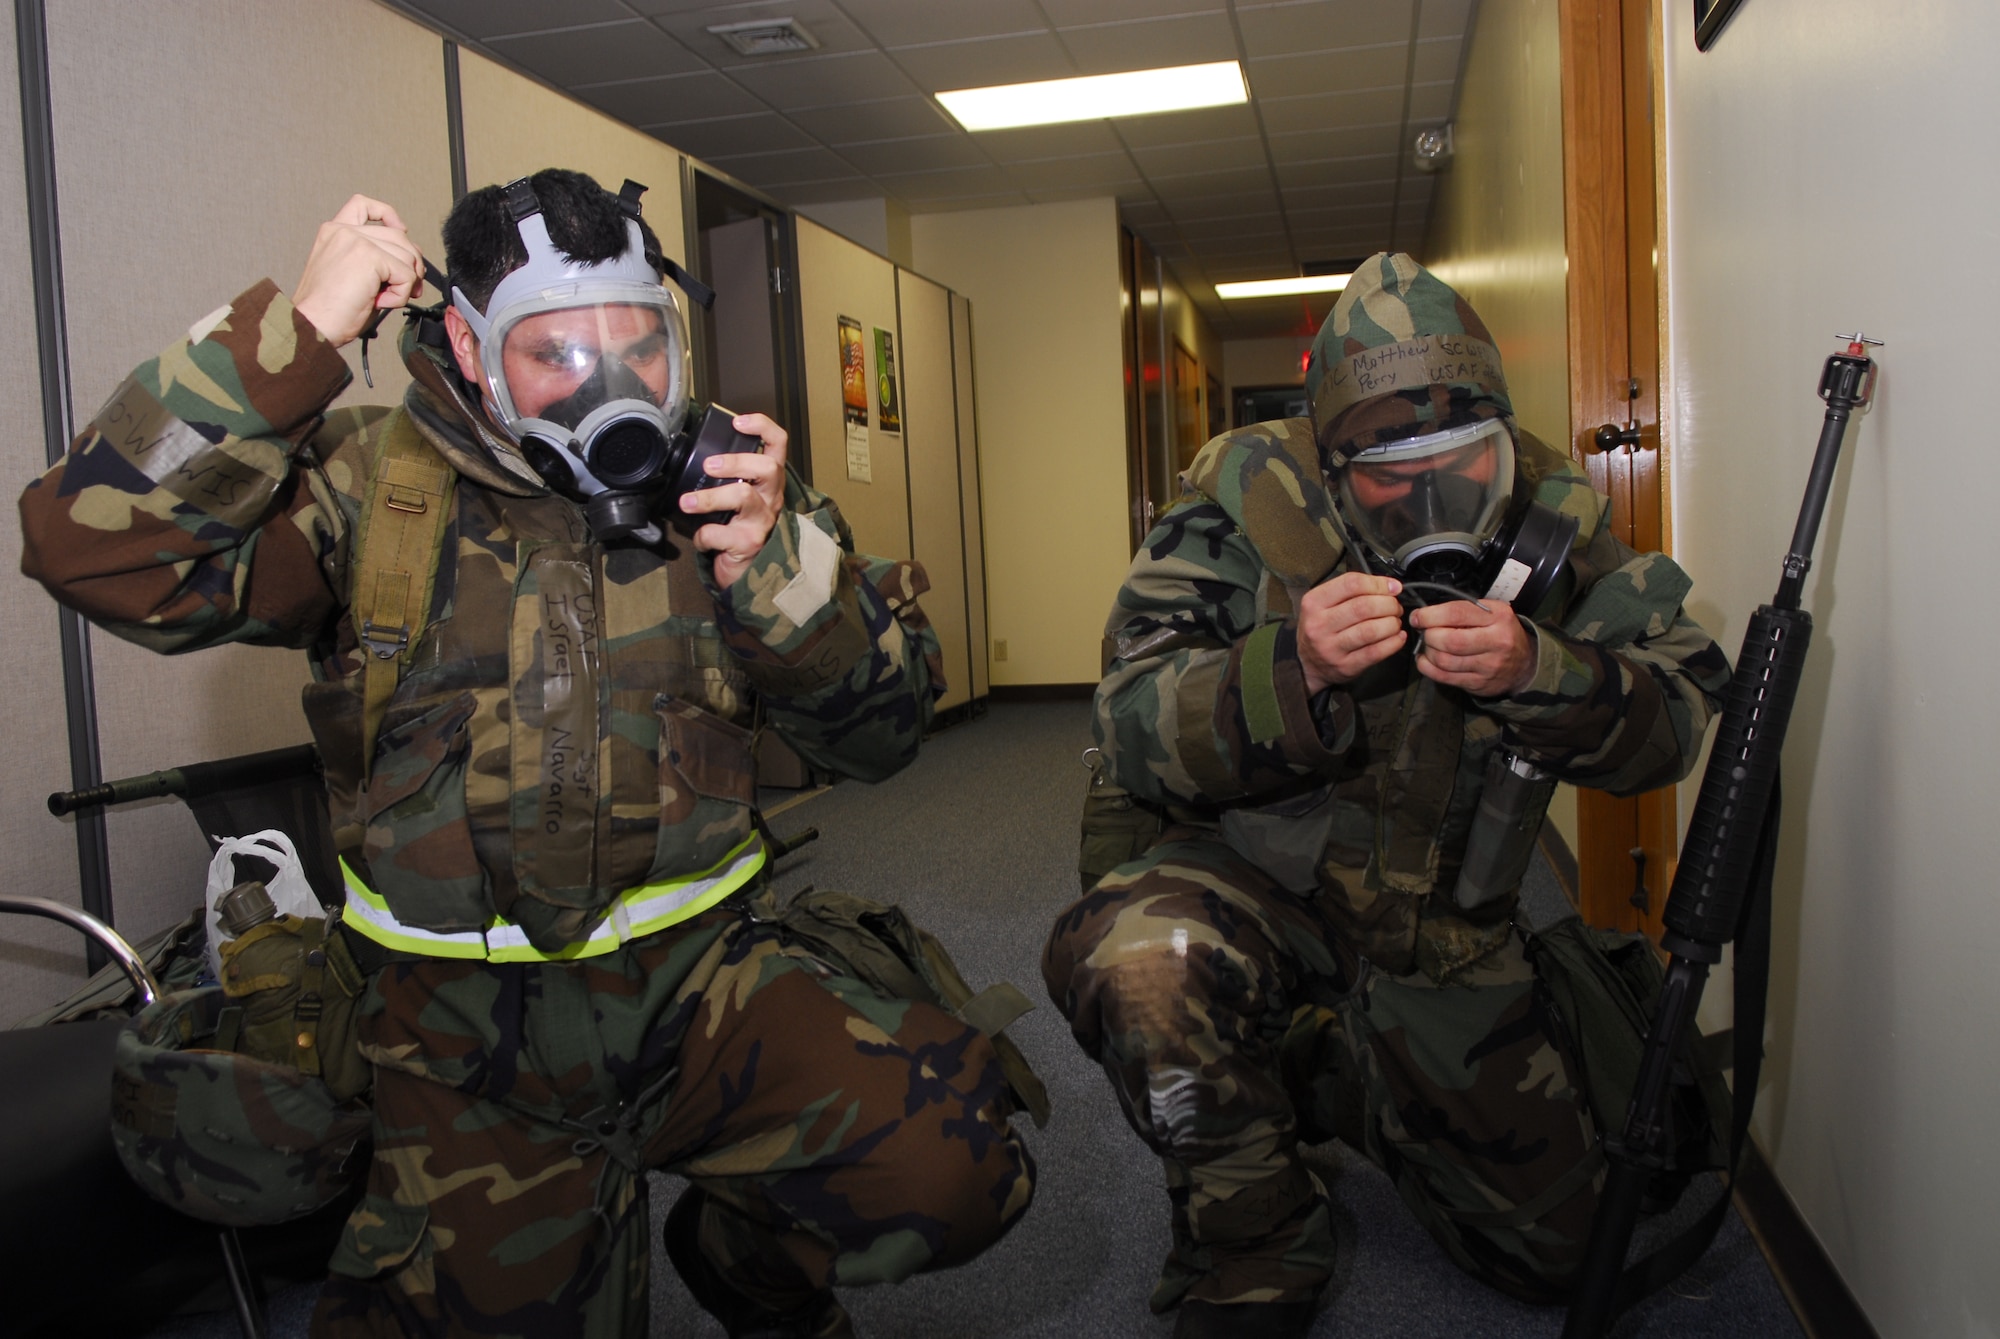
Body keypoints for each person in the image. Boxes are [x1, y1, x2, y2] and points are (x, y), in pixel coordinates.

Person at [20, 169, 1034, 1338]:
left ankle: (745, 1265)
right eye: (557, 353)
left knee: (949, 1167)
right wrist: (289, 340)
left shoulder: (735, 491)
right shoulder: (364, 488)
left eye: (641, 349)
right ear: (469, 341)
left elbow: (887, 736)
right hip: (461, 1034)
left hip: (701, 987)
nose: (613, 389)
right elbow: (82, 546)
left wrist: (777, 577)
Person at [1044, 253, 1731, 1338]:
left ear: (1503, 439)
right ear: (1329, 461)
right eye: (1389, 475)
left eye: (1464, 463)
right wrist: (1290, 670)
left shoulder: (1551, 519)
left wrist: (1538, 671)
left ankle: (1326, 1068)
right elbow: (1128, 724)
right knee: (1138, 962)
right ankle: (1260, 1239)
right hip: (1254, 881)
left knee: (1550, 1258)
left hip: (1438, 922)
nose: (1433, 498)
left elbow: (1680, 715)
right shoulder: (1239, 506)